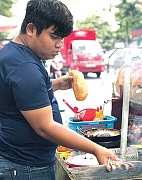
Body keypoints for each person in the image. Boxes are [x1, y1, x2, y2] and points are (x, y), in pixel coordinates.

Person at [0, 0, 119, 180]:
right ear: (31, 29)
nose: (60, 45)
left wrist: (55, 84)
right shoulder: (25, 67)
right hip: (25, 167)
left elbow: (20, 94)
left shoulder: (16, 53)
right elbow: (45, 127)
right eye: (54, 37)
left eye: (62, 38)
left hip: (20, 161)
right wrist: (95, 148)